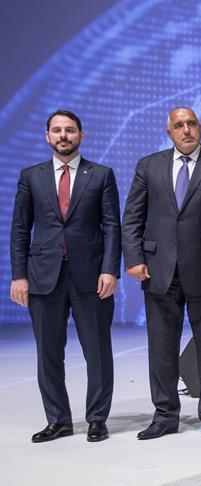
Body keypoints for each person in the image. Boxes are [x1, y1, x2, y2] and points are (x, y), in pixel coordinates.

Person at [122, 106, 201, 440]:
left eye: (192, 124)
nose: (186, 130)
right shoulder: (148, 166)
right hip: (158, 271)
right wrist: (133, 258)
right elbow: (132, 216)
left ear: (200, 127)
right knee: (161, 350)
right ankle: (164, 416)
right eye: (179, 125)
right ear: (170, 132)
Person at [10, 109, 120, 443]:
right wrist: (19, 276)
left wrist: (110, 269)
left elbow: (112, 226)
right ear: (47, 136)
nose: (63, 136)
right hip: (43, 277)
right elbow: (19, 229)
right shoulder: (31, 176)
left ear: (81, 135)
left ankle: (97, 419)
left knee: (97, 351)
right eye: (57, 130)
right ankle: (58, 420)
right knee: (48, 353)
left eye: (70, 130)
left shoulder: (101, 175)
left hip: (91, 276)